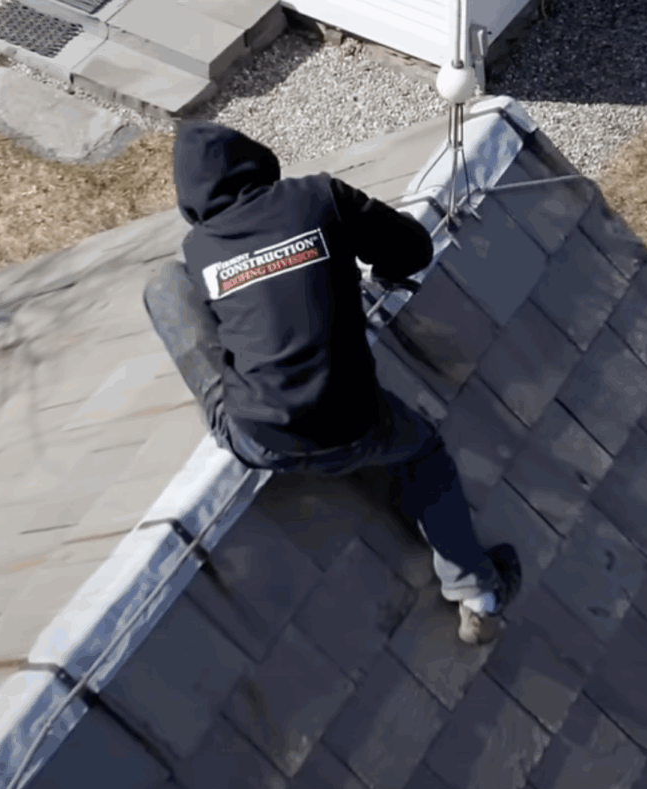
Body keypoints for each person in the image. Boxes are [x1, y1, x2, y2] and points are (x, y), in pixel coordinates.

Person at [144, 122, 522, 644]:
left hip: (262, 436)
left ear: (193, 202)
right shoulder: (317, 196)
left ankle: (234, 402)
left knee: (164, 285)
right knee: (424, 453)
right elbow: (411, 250)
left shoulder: (201, 250)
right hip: (359, 424)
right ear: (259, 160)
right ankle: (478, 594)